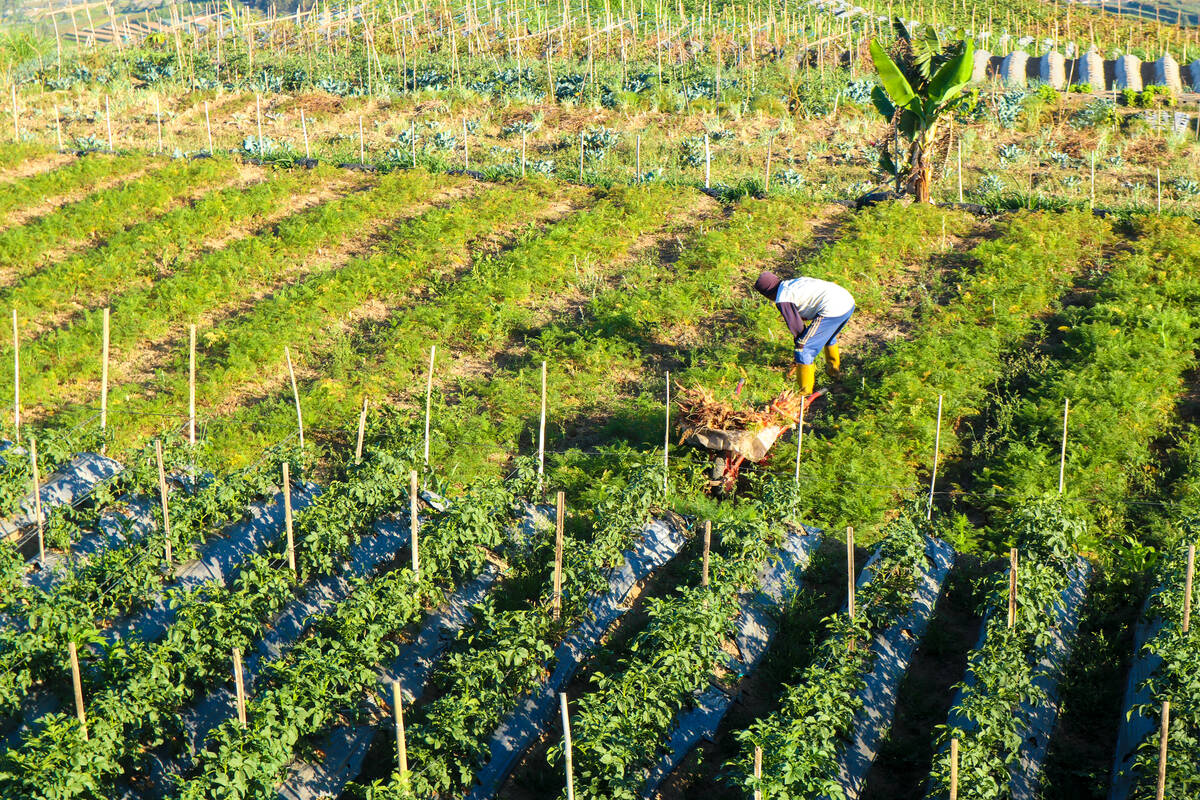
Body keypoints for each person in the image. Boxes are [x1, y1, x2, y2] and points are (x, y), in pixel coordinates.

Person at [753, 270, 855, 396]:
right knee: (826, 336)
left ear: (767, 293)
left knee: (803, 348)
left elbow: (797, 328)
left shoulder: (783, 298)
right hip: (846, 301)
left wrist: (799, 357)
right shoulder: (789, 284)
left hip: (833, 309)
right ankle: (834, 373)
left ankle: (804, 395)